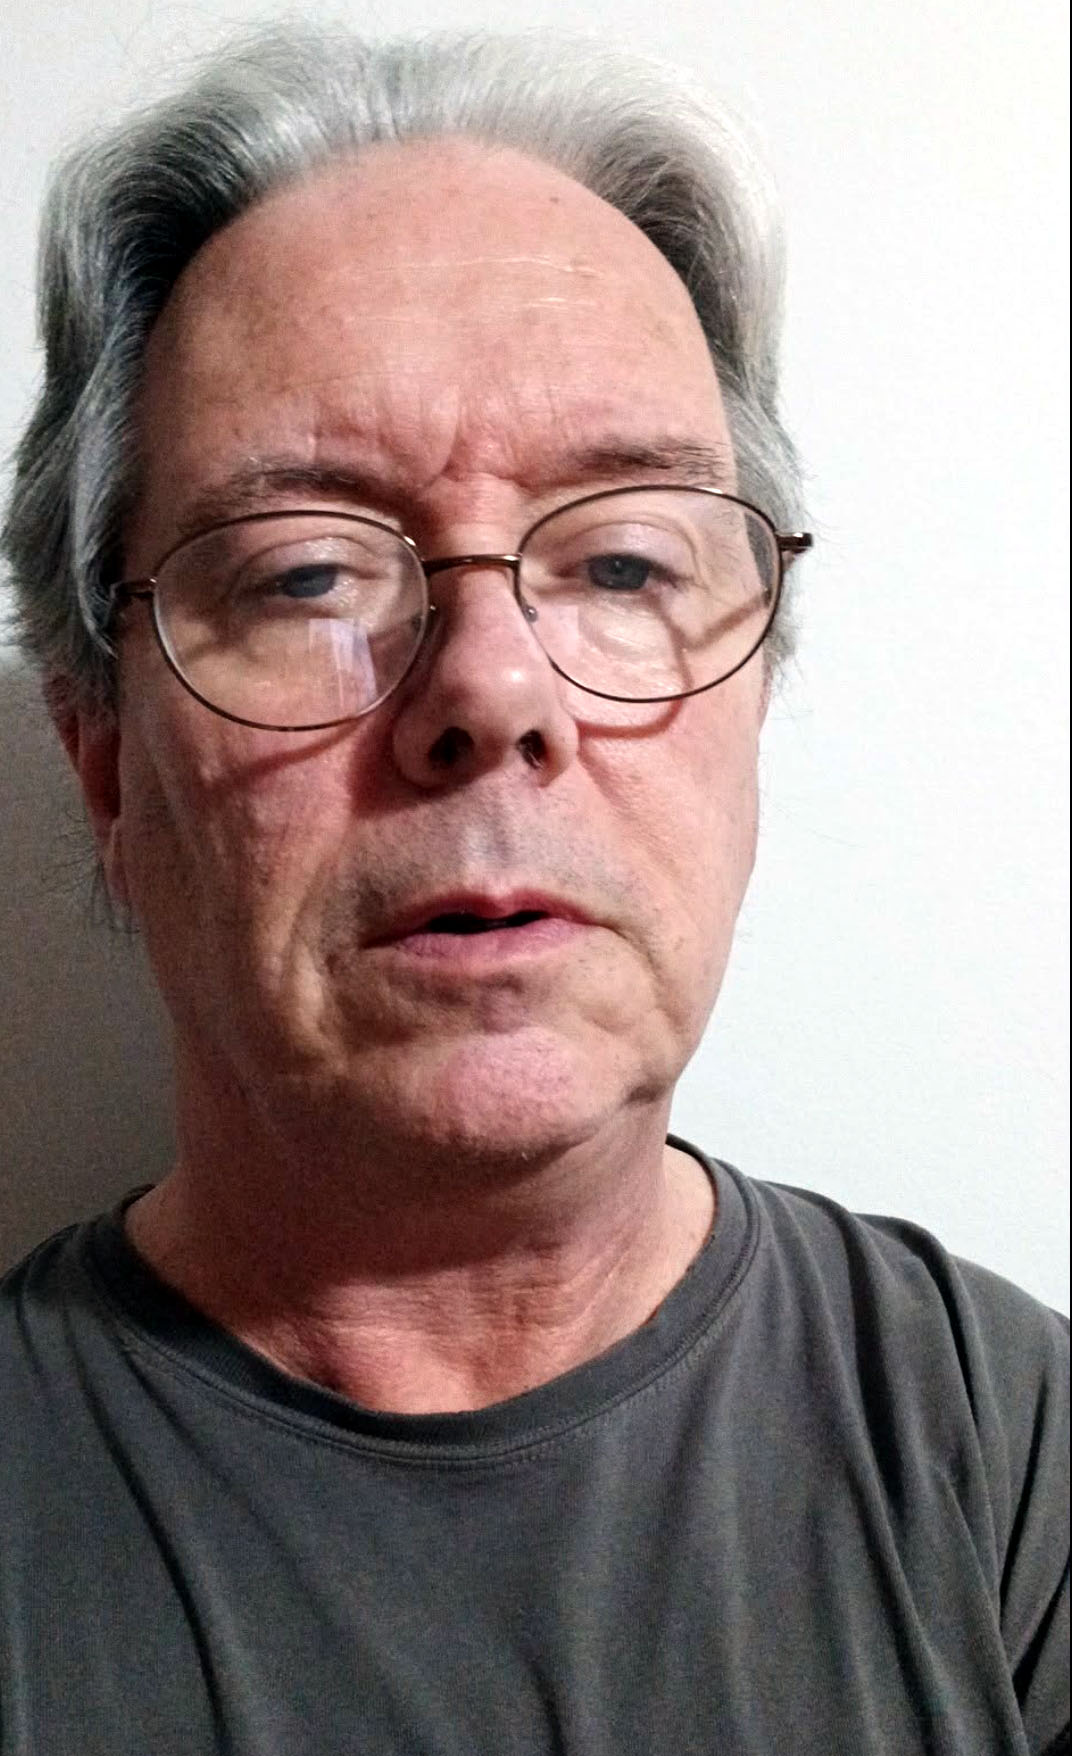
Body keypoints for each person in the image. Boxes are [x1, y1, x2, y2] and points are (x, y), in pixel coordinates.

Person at [0, 24, 1067, 1756]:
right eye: (304, 573)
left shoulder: (1015, 1477)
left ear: (753, 694)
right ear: (105, 756)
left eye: (625, 560)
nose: (494, 692)